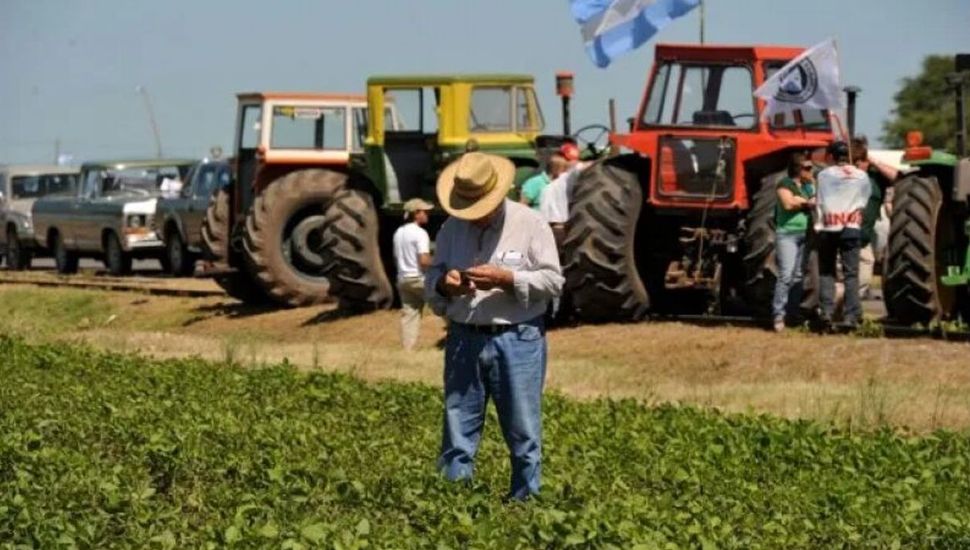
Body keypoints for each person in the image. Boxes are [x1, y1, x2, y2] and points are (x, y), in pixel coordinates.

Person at [424, 151, 564, 500]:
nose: (472, 216)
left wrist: (507, 279)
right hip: (462, 337)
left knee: (522, 430)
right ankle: (454, 504)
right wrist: (445, 284)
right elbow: (434, 278)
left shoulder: (531, 224)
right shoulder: (451, 228)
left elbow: (552, 282)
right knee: (457, 427)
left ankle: (524, 501)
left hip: (517, 337)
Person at [815, 141, 872, 328]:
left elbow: (820, 199)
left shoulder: (823, 175)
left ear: (831, 156)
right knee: (851, 274)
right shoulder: (862, 176)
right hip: (851, 226)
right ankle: (851, 315)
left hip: (828, 226)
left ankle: (826, 312)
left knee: (826, 272)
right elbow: (864, 200)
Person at [771, 153, 816, 332]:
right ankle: (778, 314)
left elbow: (816, 200)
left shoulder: (807, 186)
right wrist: (806, 203)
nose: (811, 171)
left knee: (798, 276)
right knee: (786, 275)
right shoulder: (784, 184)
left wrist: (802, 200)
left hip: (804, 234)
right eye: (807, 168)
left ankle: (793, 312)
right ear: (798, 168)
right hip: (787, 234)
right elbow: (788, 204)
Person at [392, 198, 434, 351]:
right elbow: (423, 261)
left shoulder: (398, 232)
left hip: (403, 278)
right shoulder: (420, 233)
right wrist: (439, 263)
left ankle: (408, 349)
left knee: (409, 315)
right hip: (418, 278)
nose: (428, 214)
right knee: (447, 306)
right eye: (425, 211)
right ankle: (453, 341)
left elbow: (397, 257)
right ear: (416, 213)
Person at [538, 143, 585, 240]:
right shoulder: (569, 180)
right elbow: (579, 168)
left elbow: (543, 216)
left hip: (555, 229)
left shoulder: (547, 189)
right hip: (571, 228)